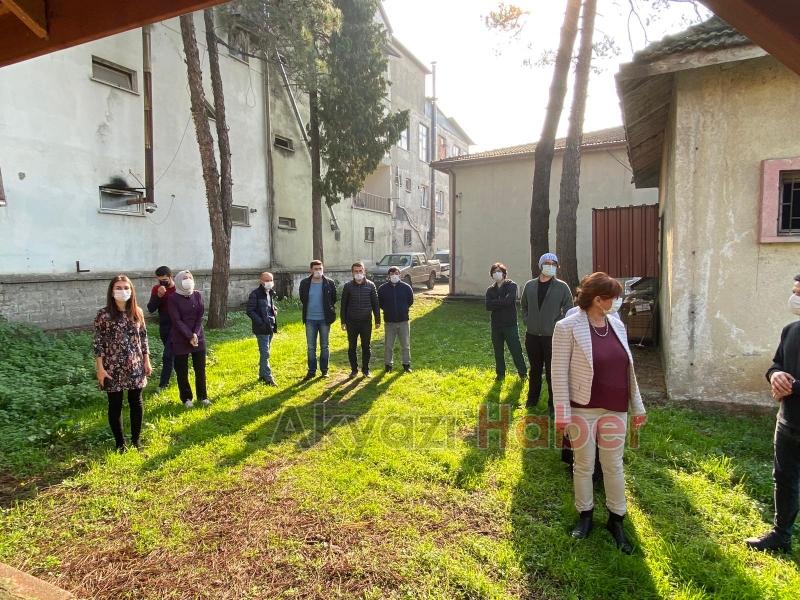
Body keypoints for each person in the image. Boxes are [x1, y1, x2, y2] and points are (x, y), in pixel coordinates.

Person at [551, 272, 647, 554]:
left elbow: (628, 369)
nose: (618, 302)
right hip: (583, 409)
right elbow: (558, 373)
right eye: (613, 297)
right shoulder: (567, 327)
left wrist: (637, 406)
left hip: (616, 408)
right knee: (583, 465)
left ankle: (616, 519)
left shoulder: (617, 324)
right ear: (597, 299)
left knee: (613, 465)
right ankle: (586, 516)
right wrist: (562, 412)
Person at [746, 274, 800, 553]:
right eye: (794, 291)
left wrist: (794, 386)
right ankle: (781, 535)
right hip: (788, 422)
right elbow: (776, 364)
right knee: (784, 479)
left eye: (799, 293)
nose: (794, 298)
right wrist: (775, 375)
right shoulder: (791, 330)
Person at [93, 275, 152, 452]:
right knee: (115, 404)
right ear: (112, 291)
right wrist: (100, 369)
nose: (122, 291)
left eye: (126, 287)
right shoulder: (103, 315)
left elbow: (143, 338)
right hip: (112, 367)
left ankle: (136, 441)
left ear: (131, 290)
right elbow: (98, 343)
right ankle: (120, 444)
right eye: (118, 288)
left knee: (136, 402)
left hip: (135, 364)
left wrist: (146, 361)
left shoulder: (137, 312)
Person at [521, 252, 573, 410]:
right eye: (547, 263)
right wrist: (527, 320)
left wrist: (558, 325)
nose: (550, 266)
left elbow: (569, 309)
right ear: (541, 265)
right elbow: (524, 306)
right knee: (535, 370)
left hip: (552, 337)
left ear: (557, 267)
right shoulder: (530, 285)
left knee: (553, 373)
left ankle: (553, 405)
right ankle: (531, 401)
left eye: (553, 264)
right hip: (532, 336)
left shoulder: (562, 287)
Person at [168, 270, 210, 408]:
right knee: (182, 370)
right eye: (185, 278)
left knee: (200, 369)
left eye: (190, 278)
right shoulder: (173, 298)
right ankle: (186, 398)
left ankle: (203, 397)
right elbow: (176, 320)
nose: (188, 280)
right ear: (179, 280)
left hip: (198, 337)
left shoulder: (197, 295)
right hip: (180, 338)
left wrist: (195, 334)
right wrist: (188, 335)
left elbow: (200, 317)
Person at [485, 263, 527, 381]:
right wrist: (501, 301)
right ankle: (500, 374)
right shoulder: (490, 290)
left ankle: (523, 373)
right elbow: (488, 306)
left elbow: (509, 301)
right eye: (494, 271)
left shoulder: (511, 285)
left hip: (510, 324)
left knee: (516, 350)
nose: (496, 273)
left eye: (499, 271)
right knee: (498, 351)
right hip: (496, 325)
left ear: (504, 273)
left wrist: (496, 302)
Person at [299, 260, 337, 380]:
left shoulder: (329, 283)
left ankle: (324, 370)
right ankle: (311, 371)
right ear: (311, 270)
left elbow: (333, 298)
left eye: (320, 268)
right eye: (315, 268)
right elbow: (302, 299)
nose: (318, 271)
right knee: (311, 347)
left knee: (325, 346)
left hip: (324, 319)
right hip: (310, 319)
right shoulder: (305, 283)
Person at [341, 261, 381, 379]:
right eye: (356, 271)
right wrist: (343, 321)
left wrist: (377, 320)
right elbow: (344, 305)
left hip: (366, 322)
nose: (358, 273)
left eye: (360, 271)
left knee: (366, 346)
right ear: (352, 273)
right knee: (352, 346)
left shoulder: (371, 285)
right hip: (351, 322)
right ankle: (354, 370)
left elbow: (375, 304)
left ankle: (366, 370)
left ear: (364, 271)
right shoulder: (348, 286)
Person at [378, 266, 414, 373]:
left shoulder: (406, 287)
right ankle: (388, 365)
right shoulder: (382, 288)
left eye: (396, 273)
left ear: (399, 274)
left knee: (405, 345)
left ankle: (406, 364)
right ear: (388, 276)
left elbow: (410, 301)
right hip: (389, 322)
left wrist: (403, 309)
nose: (394, 275)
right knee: (388, 345)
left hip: (403, 321)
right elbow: (380, 303)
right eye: (391, 273)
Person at [246, 272, 279, 386]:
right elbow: (250, 310)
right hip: (262, 328)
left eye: (271, 280)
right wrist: (260, 322)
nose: (269, 283)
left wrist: (273, 309)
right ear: (261, 281)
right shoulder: (255, 294)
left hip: (271, 326)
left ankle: (262, 375)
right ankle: (268, 378)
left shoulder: (271, 293)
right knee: (265, 353)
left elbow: (267, 307)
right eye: (267, 280)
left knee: (266, 352)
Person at [146, 266, 176, 389]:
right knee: (171, 352)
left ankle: (163, 384)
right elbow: (151, 308)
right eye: (159, 280)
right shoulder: (156, 289)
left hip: (177, 325)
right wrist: (158, 296)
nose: (162, 282)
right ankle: (175, 372)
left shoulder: (178, 287)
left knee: (167, 355)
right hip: (164, 324)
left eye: (164, 280)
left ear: (170, 276)